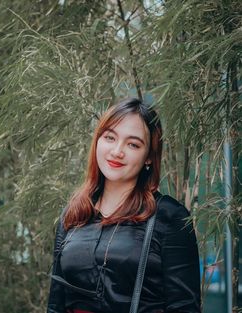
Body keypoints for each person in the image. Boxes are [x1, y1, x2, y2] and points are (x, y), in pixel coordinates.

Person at [47, 98, 201, 313]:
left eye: (133, 144)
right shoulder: (74, 214)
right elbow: (56, 303)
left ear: (148, 157)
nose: (117, 151)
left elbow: (184, 307)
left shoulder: (169, 217)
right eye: (110, 137)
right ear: (98, 141)